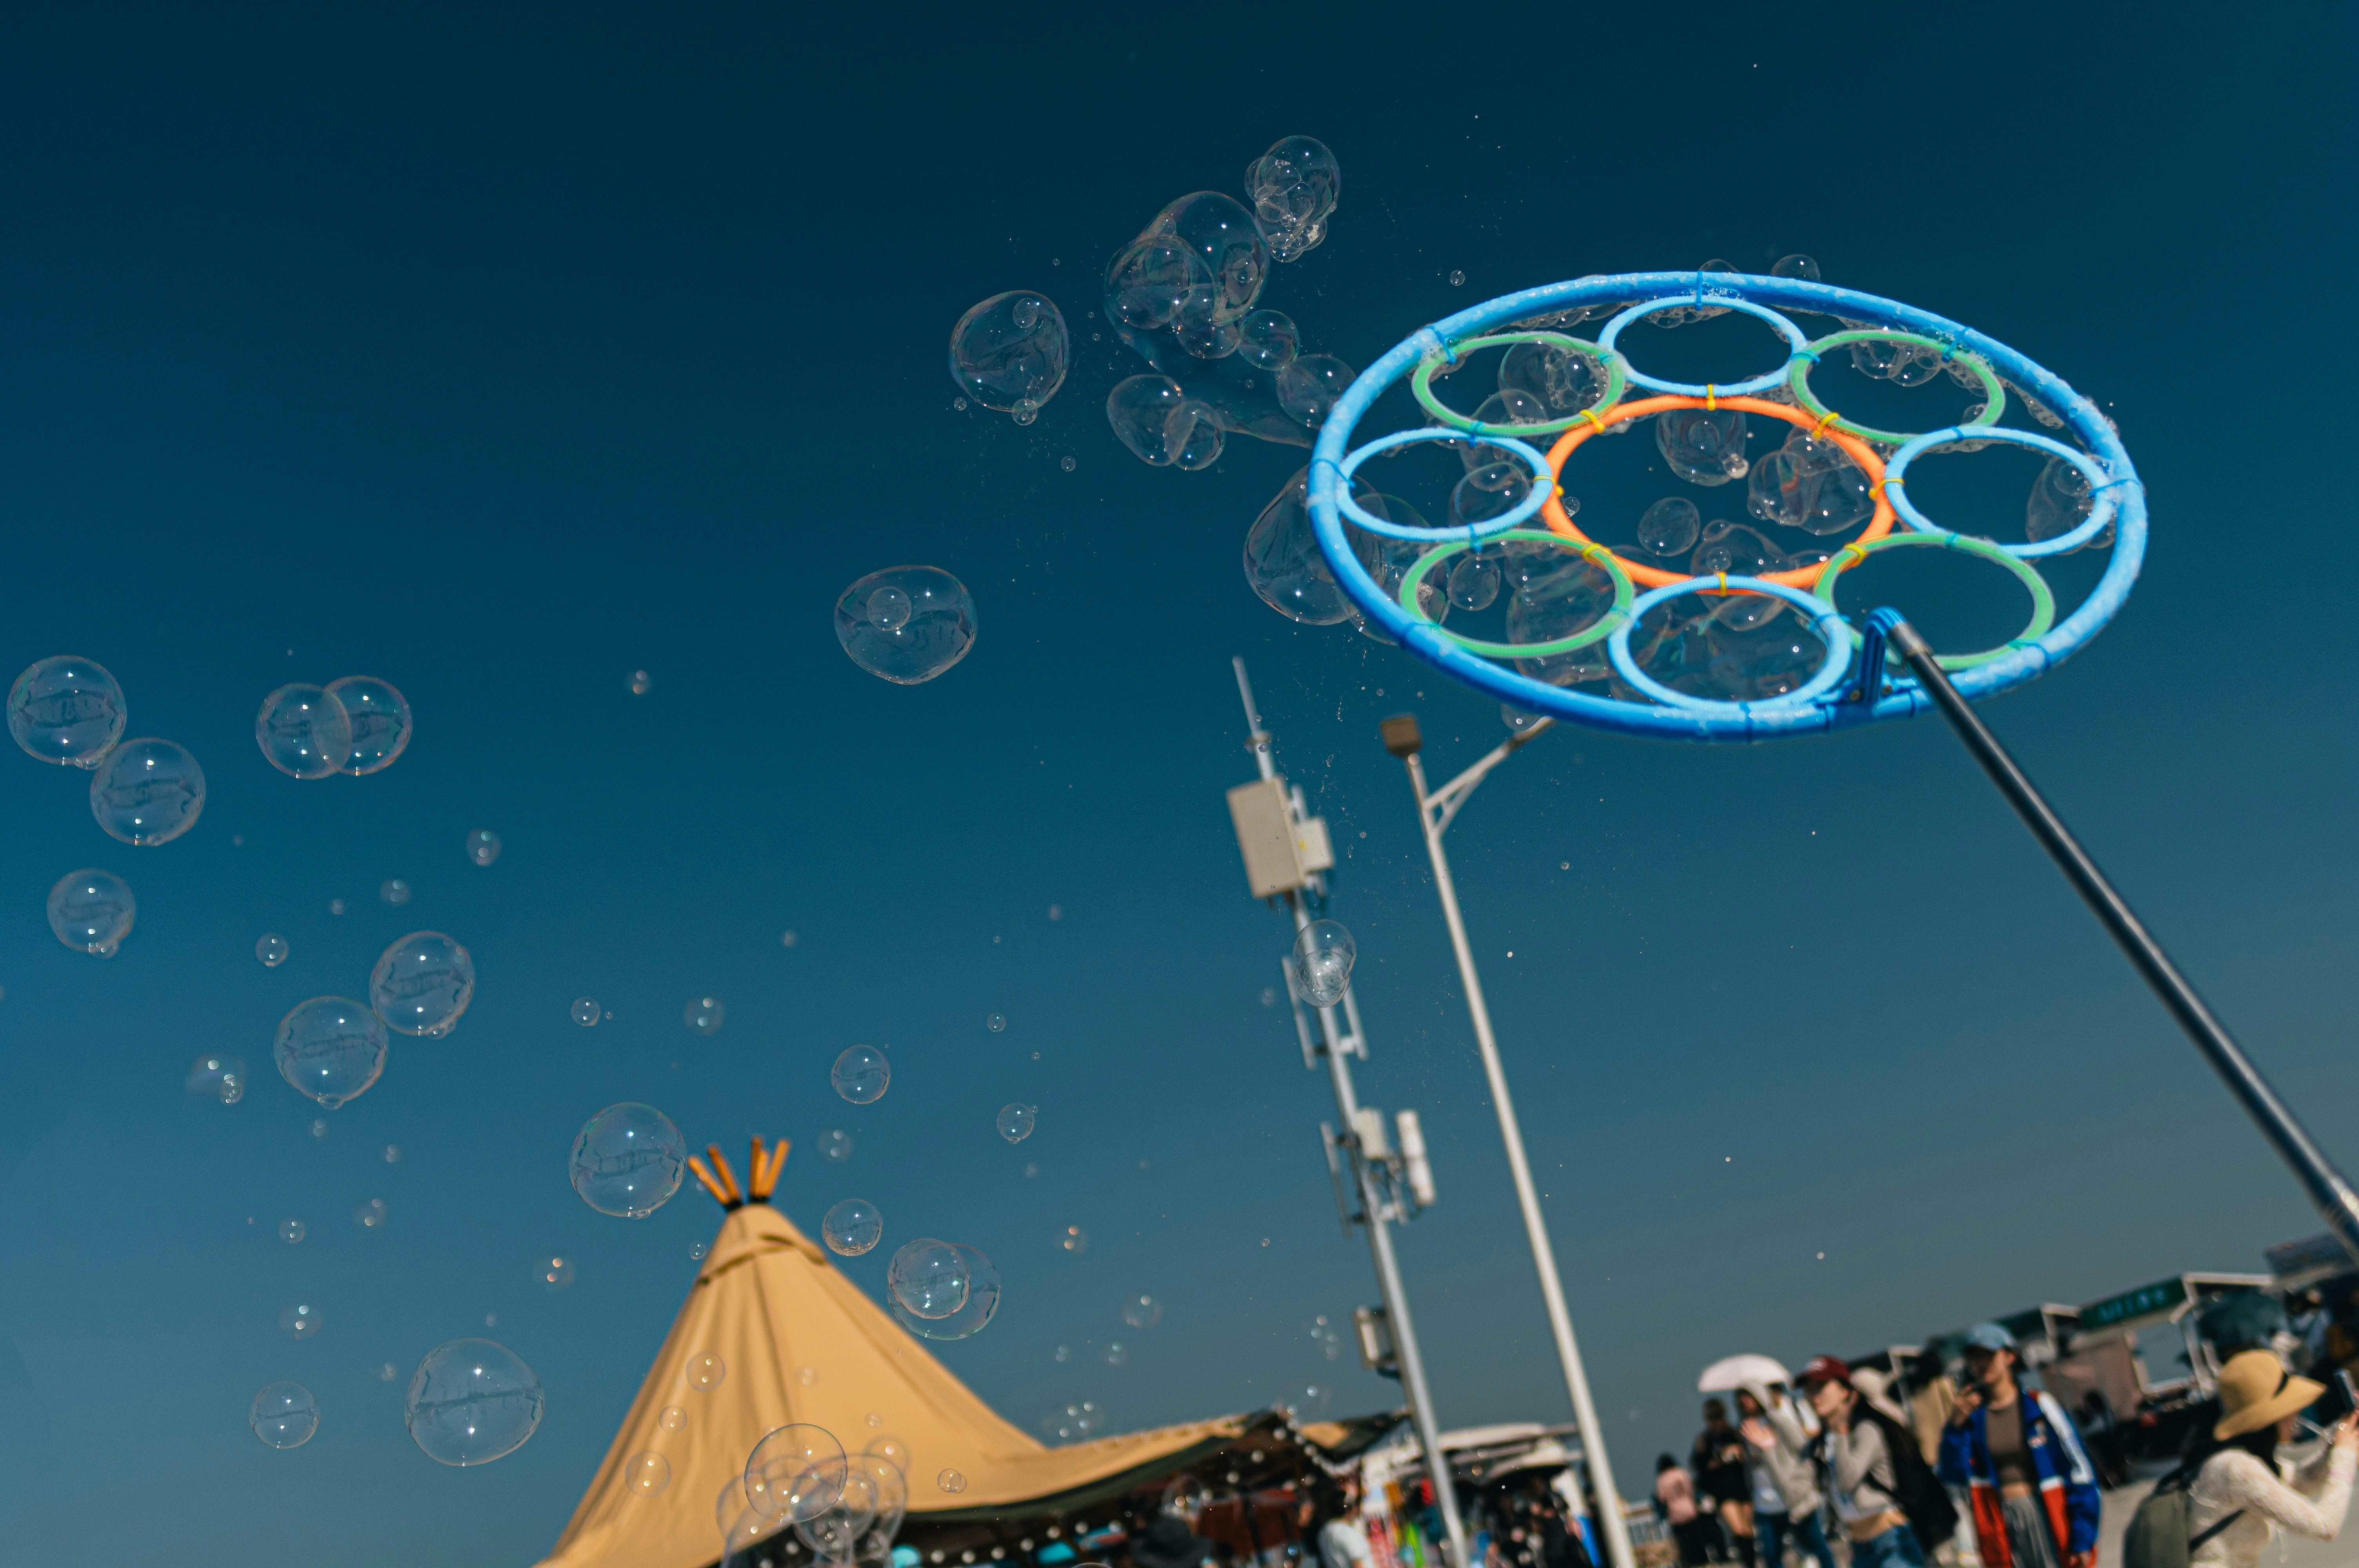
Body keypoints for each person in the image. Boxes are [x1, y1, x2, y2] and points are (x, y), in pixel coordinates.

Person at [1937, 1323, 2100, 1568]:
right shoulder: (1972, 1418)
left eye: (1989, 1355)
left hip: (2044, 1513)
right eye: (1975, 1357)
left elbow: (2080, 1472)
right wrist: (1955, 1428)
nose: (1982, 1364)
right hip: (1998, 1520)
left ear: (2009, 1357)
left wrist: (2083, 1538)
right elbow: (1953, 1474)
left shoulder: (2039, 1406)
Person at [2185, 1348, 2357, 1568]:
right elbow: (2325, 1528)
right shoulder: (2235, 1468)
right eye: (2289, 1407)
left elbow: (2302, 1481)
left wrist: (2338, 1444)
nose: (2296, 1414)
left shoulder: (2241, 1459)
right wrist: (2345, 1456)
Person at [1798, 1356, 1954, 1568]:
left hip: (1891, 1542)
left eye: (1821, 1387)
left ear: (1845, 1392)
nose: (1814, 1396)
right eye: (1809, 1389)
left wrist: (1841, 1432)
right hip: (1860, 1549)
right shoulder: (1821, 1443)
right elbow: (1795, 1491)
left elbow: (1847, 1481)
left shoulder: (1866, 1430)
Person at [1737, 1383, 1835, 1568]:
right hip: (1765, 1501)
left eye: (1748, 1396)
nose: (1744, 1401)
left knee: (1818, 1546)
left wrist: (1801, 1479)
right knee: (1772, 1555)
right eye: (1740, 1398)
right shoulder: (1744, 1428)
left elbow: (1803, 1449)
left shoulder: (1777, 1421)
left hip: (1793, 1496)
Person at [1694, 1399, 1754, 1568]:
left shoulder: (1736, 1434)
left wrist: (1740, 1453)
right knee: (1738, 1530)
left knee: (1749, 1531)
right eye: (1712, 1417)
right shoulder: (1705, 1440)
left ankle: (1752, 1564)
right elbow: (1700, 1466)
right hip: (1722, 1491)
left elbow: (1751, 1456)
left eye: (1719, 1416)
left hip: (1743, 1487)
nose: (1717, 1421)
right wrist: (1720, 1459)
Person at [1656, 1454, 1717, 1568]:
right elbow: (1691, 1490)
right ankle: (1703, 1560)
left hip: (1675, 1514)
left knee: (1684, 1543)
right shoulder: (1682, 1473)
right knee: (1698, 1539)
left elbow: (1662, 1498)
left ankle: (1689, 1562)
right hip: (1690, 1509)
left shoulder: (1661, 1479)